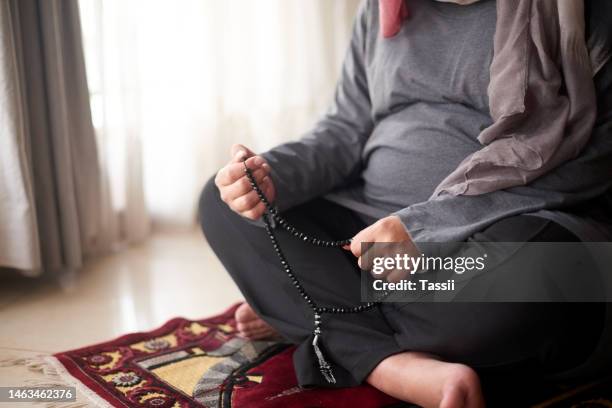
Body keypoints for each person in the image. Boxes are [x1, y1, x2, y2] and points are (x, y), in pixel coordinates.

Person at [199, 0, 612, 406]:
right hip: (367, 243)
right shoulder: (381, 9)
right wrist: (268, 176)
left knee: (542, 280)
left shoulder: (579, 12)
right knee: (223, 204)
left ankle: (308, 313)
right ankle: (391, 364)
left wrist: (425, 228)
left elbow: (596, 160)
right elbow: (343, 130)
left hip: (486, 243)